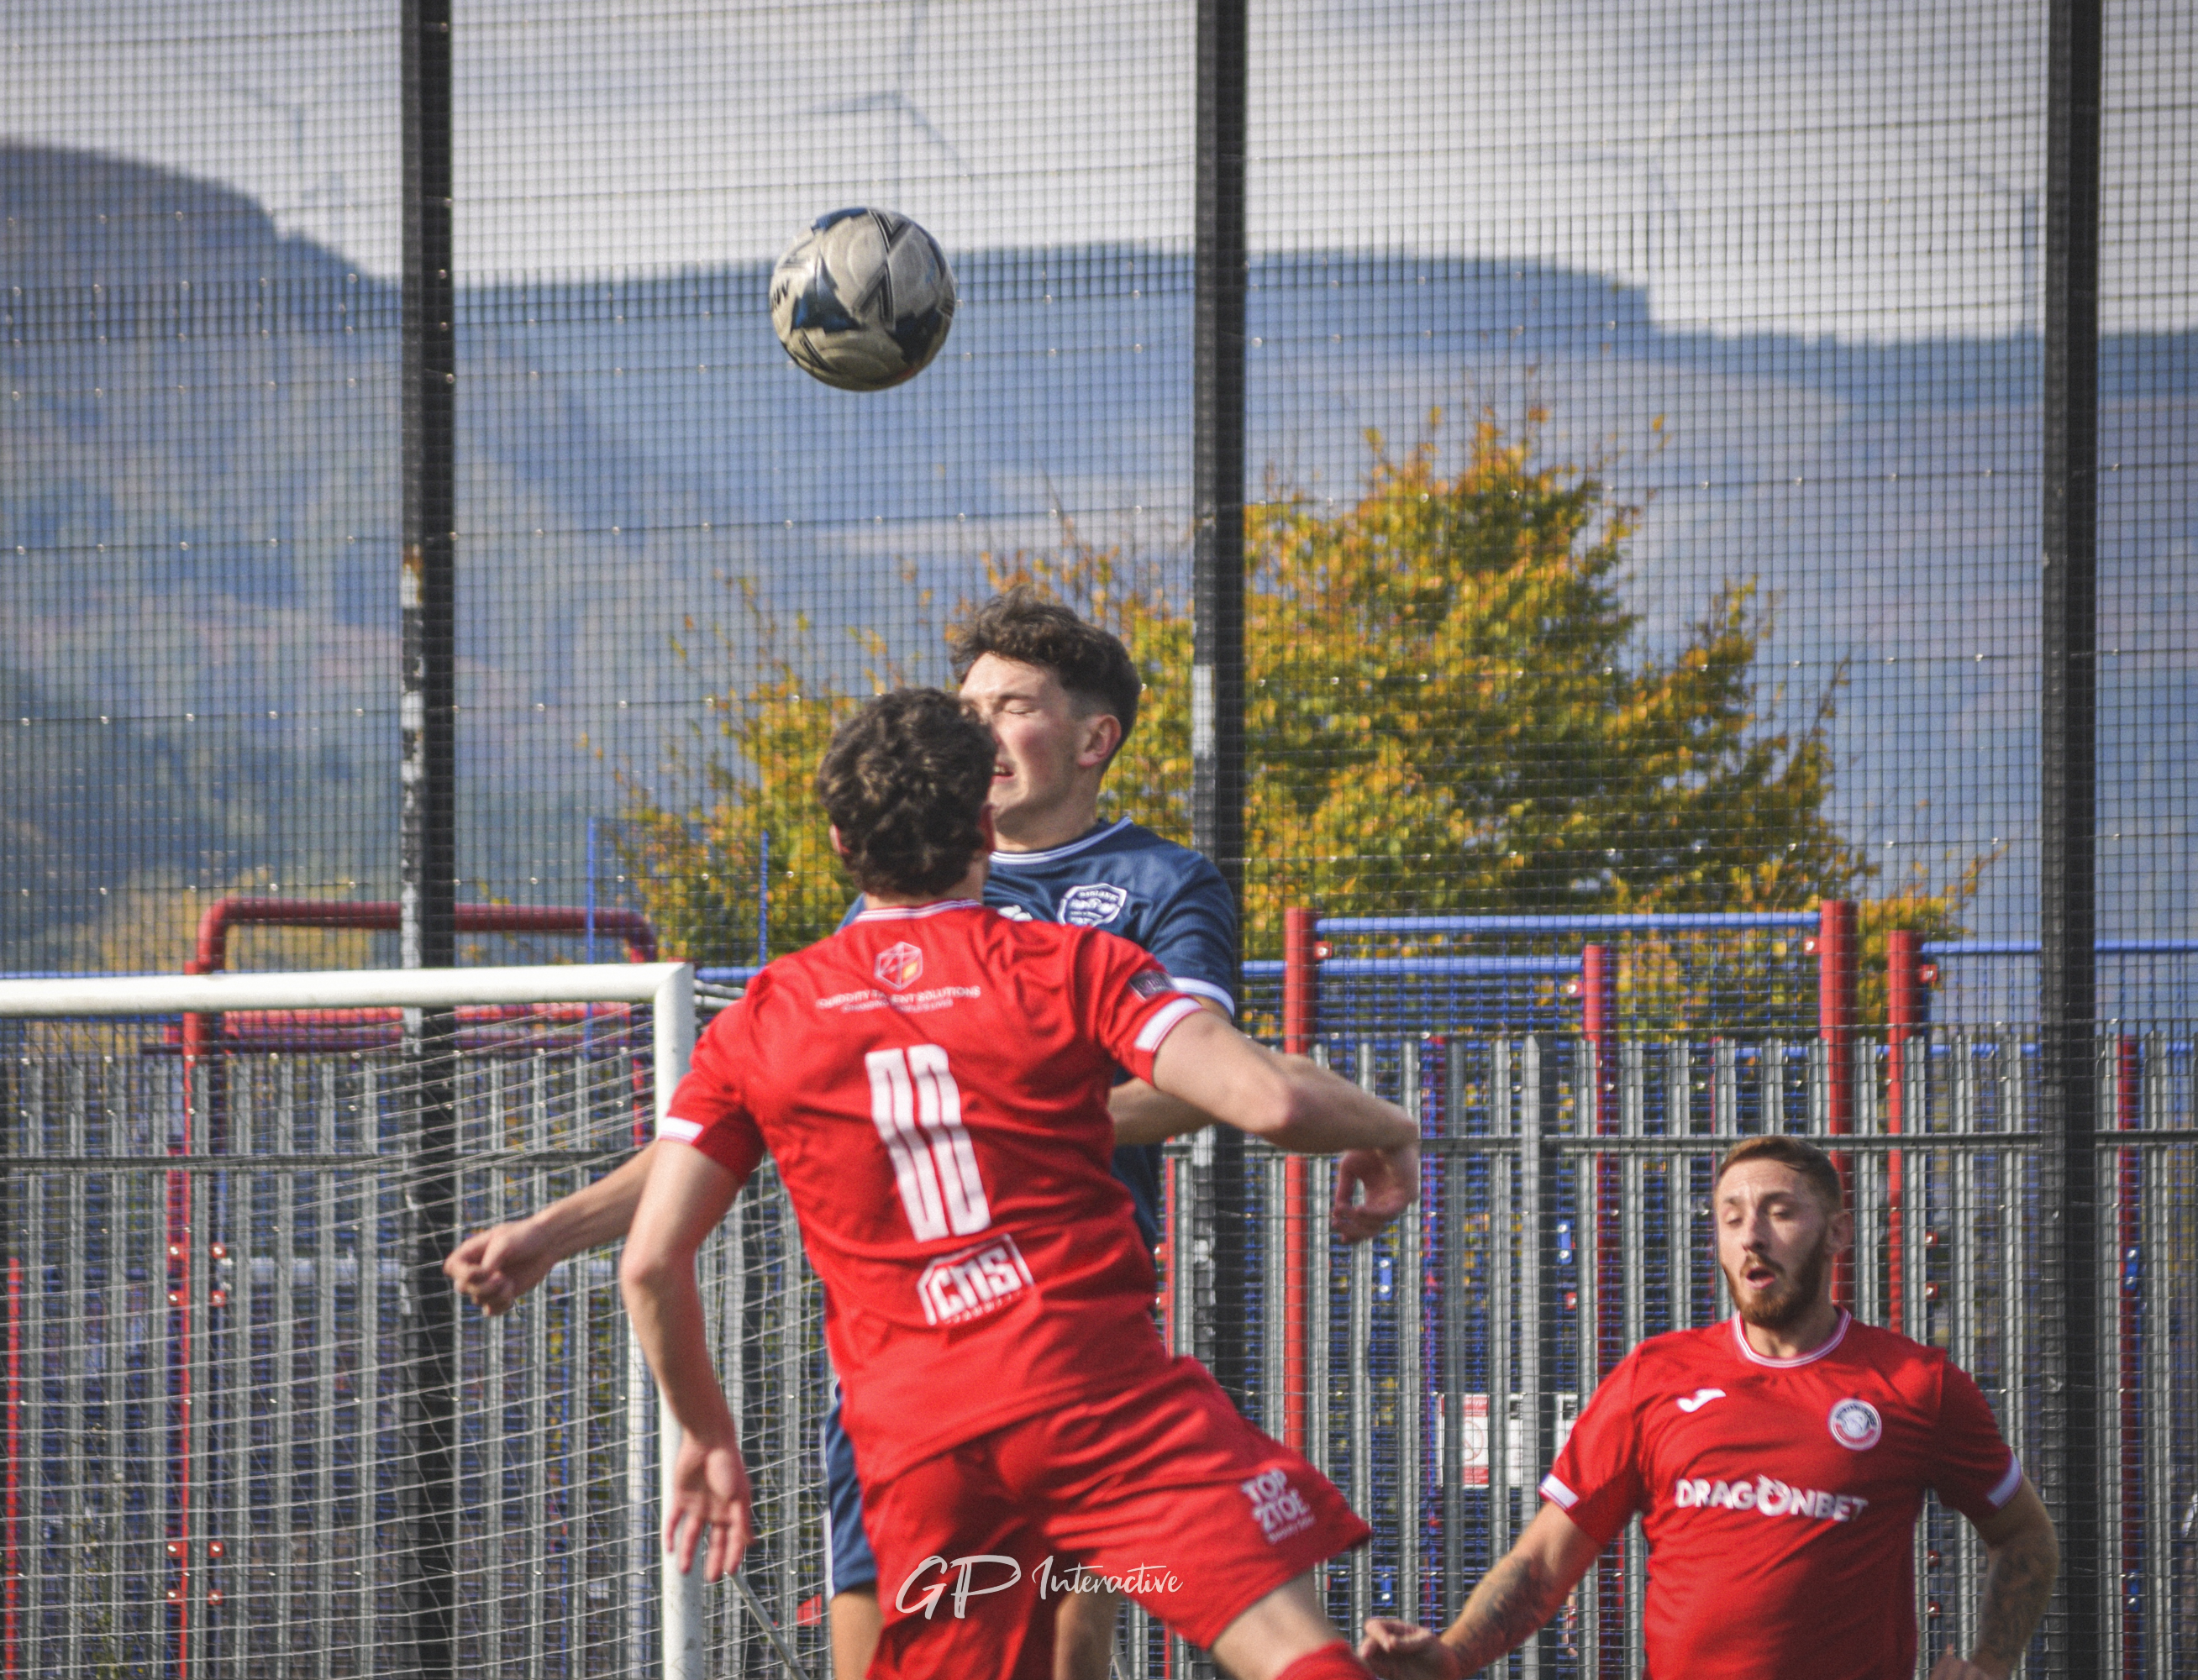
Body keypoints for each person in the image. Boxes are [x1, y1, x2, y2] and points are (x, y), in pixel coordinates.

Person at [623, 689, 1421, 1680]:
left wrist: (705, 1432)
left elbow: (651, 1264)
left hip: (917, 1448)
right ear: (982, 821)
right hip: (1092, 1395)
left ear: (837, 839)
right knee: (1295, 1653)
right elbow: (1269, 1099)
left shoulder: (763, 1016)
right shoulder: (1070, 964)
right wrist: (1390, 1125)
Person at [1358, 1134, 2058, 1680]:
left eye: (1780, 1212)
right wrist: (1449, 1658)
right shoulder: (1654, 1377)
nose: (1752, 1233)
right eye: (1732, 1217)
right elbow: (1544, 1562)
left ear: (1837, 1234)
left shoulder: (1914, 1383)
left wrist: (1989, 1663)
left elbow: (2026, 1536)